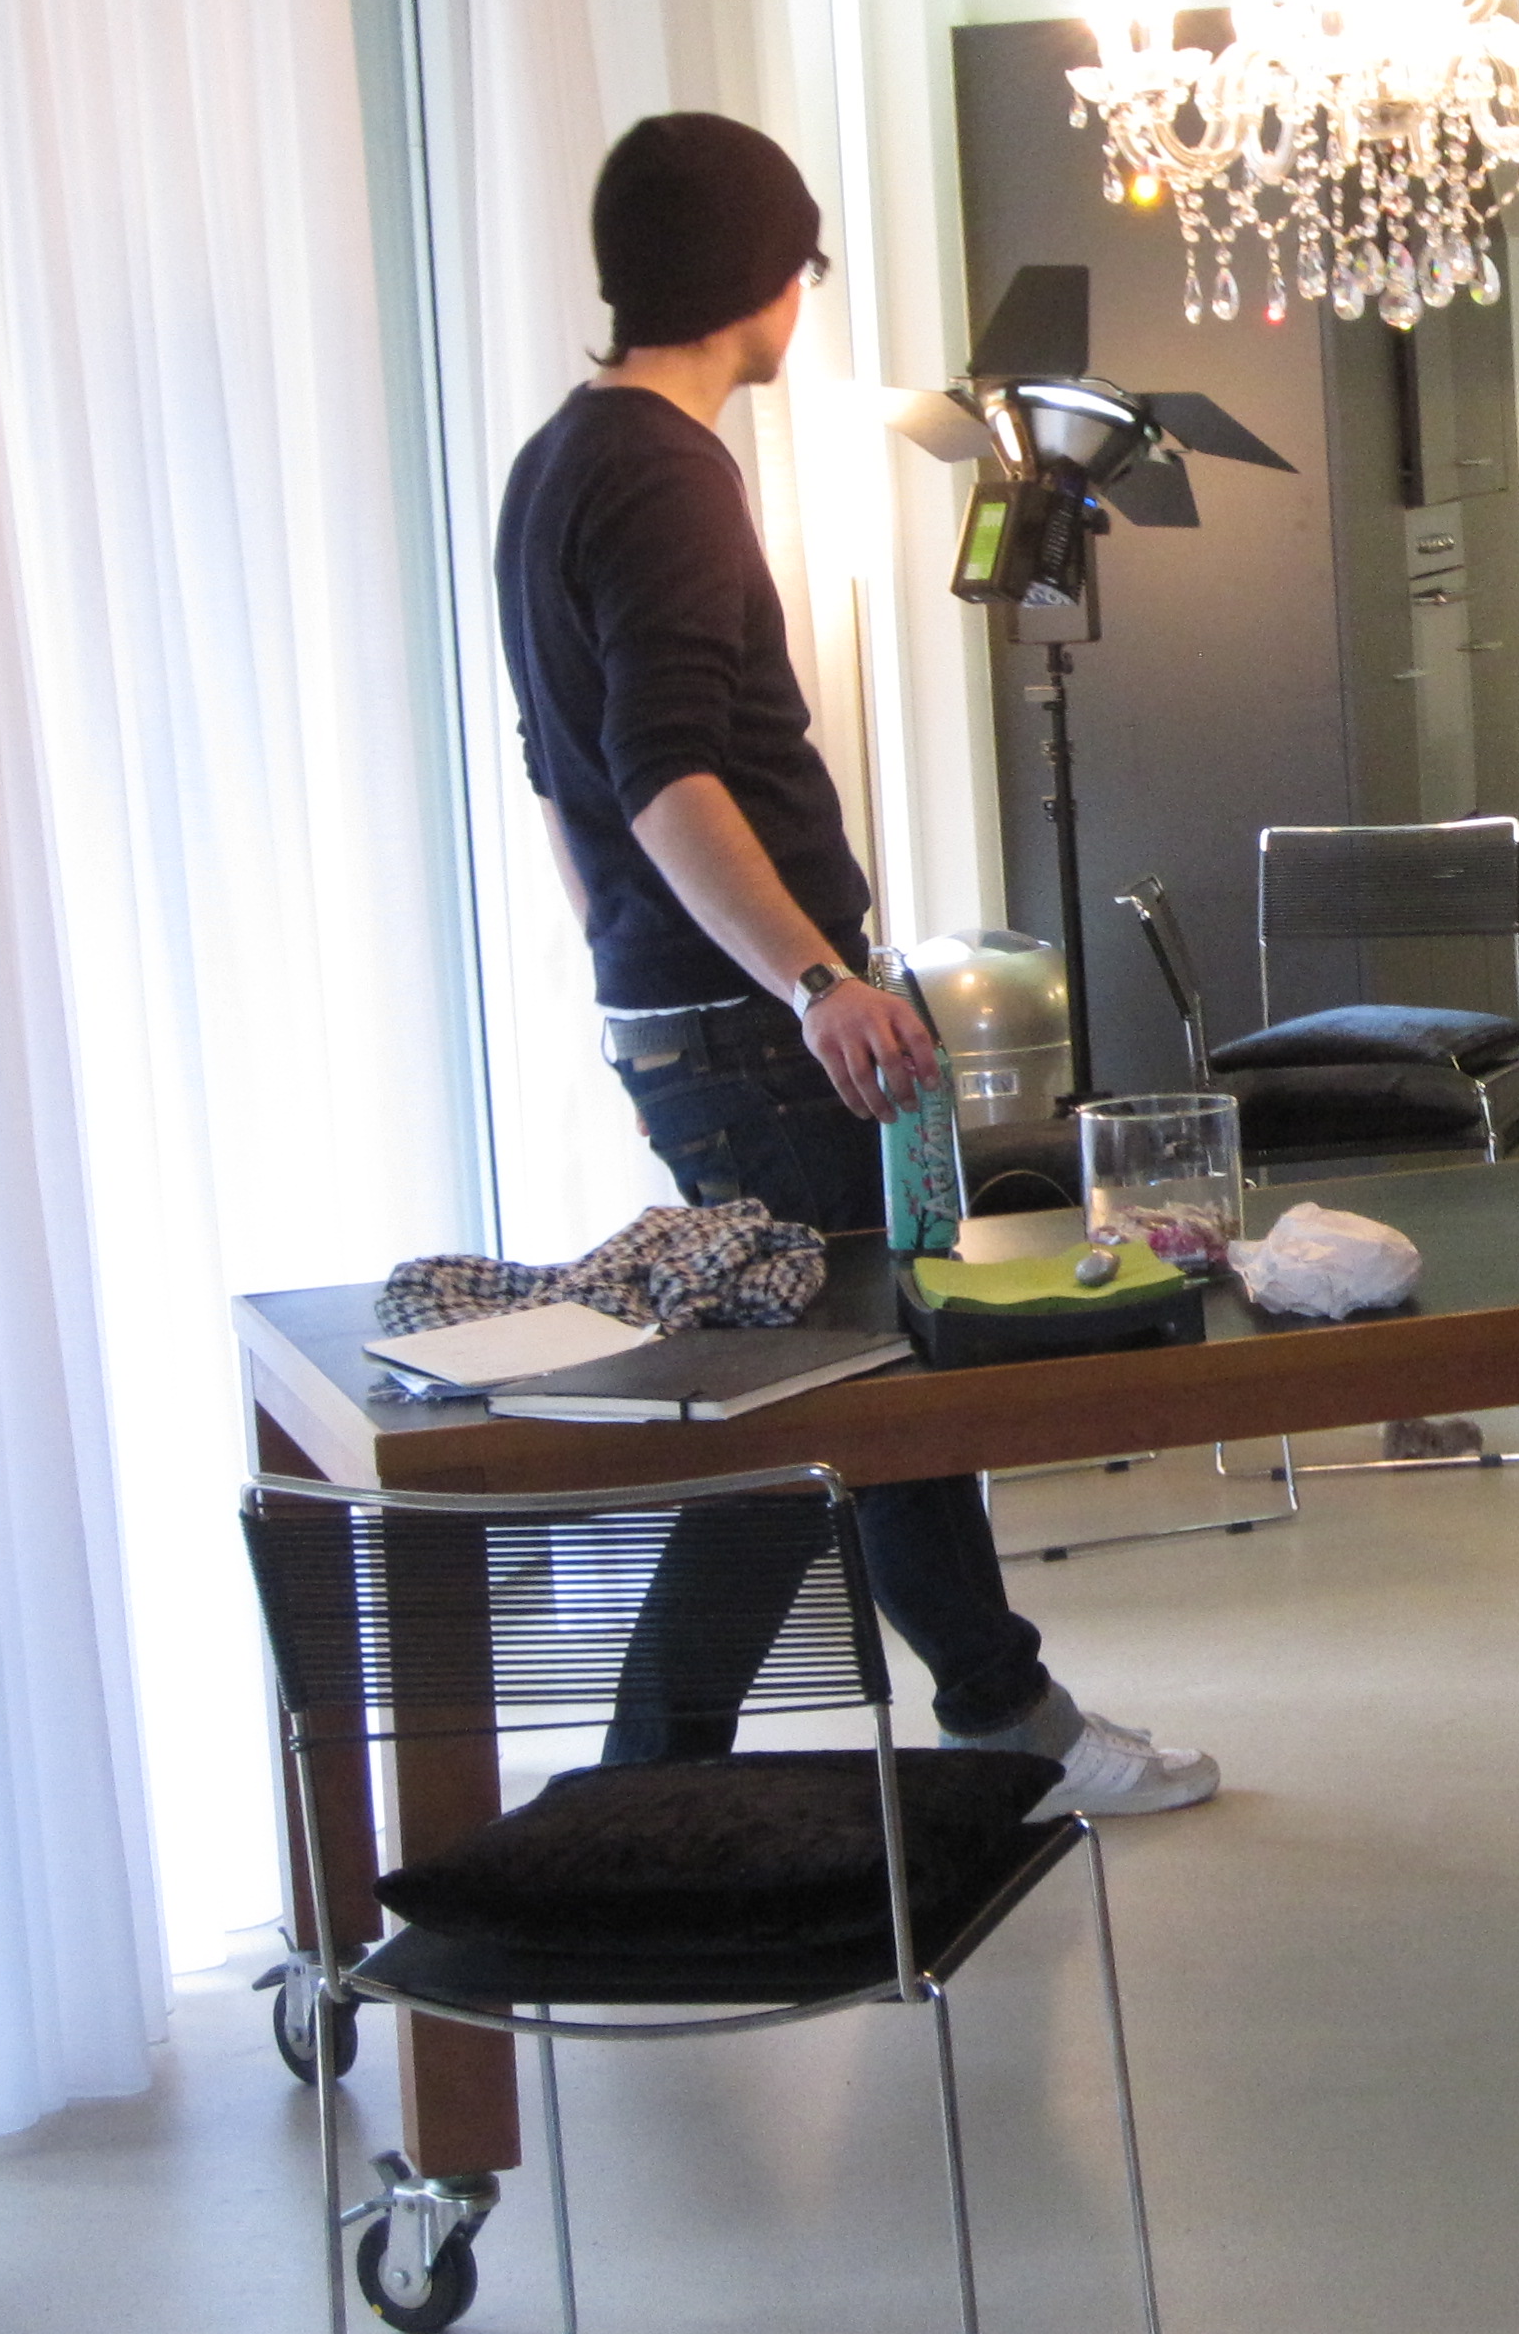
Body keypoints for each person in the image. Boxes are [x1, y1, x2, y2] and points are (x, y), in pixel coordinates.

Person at [494, 110, 1215, 1816]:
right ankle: (671, 1789)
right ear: (761, 277)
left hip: (684, 1013)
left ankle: (978, 1711)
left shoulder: (555, 463)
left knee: (862, 1383)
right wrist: (813, 985)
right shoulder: (667, 476)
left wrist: (640, 962)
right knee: (830, 1407)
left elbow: (561, 779)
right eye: (803, 266)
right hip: (755, 1032)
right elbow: (663, 771)